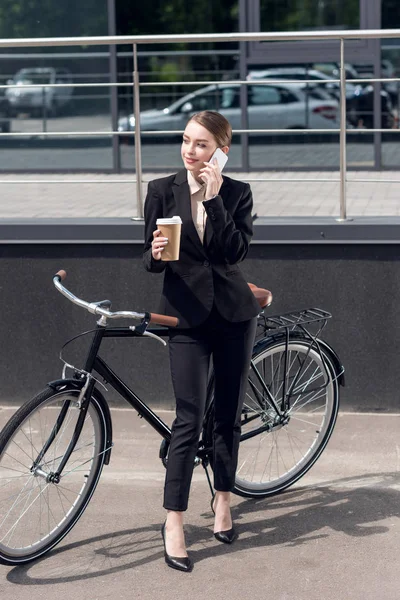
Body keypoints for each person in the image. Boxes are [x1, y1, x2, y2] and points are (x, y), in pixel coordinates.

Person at [143, 110, 260, 572]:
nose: (190, 151)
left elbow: (235, 254)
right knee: (189, 418)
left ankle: (224, 500)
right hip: (186, 318)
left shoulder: (236, 193)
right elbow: (152, 261)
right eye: (187, 141)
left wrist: (213, 200)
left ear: (221, 152)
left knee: (227, 414)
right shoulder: (161, 190)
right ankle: (174, 520)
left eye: (202, 144)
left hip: (233, 315)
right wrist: (153, 254)